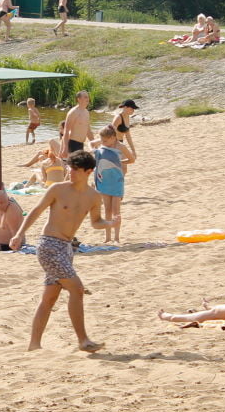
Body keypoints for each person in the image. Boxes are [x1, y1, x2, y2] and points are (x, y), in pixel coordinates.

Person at [10, 150, 116, 351]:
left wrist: (109, 223)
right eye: (70, 167)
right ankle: (83, 341)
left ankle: (34, 345)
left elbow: (96, 222)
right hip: (48, 246)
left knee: (49, 298)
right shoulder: (58, 189)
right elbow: (36, 211)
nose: (70, 171)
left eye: (76, 169)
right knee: (77, 289)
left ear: (88, 171)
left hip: (67, 249)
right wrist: (19, 234)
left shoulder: (94, 196)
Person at [94, 124, 135, 244]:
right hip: (104, 181)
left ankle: (116, 237)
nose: (103, 143)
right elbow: (94, 152)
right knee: (107, 210)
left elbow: (132, 159)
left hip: (117, 180)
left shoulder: (120, 147)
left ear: (113, 137)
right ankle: (107, 237)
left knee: (116, 211)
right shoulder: (102, 146)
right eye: (102, 140)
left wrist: (119, 162)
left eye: (105, 140)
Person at [60, 91, 94, 158]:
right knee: (76, 166)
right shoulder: (73, 112)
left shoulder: (86, 112)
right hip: (73, 143)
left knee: (79, 166)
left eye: (88, 97)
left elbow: (88, 131)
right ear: (79, 99)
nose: (88, 99)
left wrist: (94, 143)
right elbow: (66, 131)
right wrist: (65, 148)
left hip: (81, 144)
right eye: (85, 97)